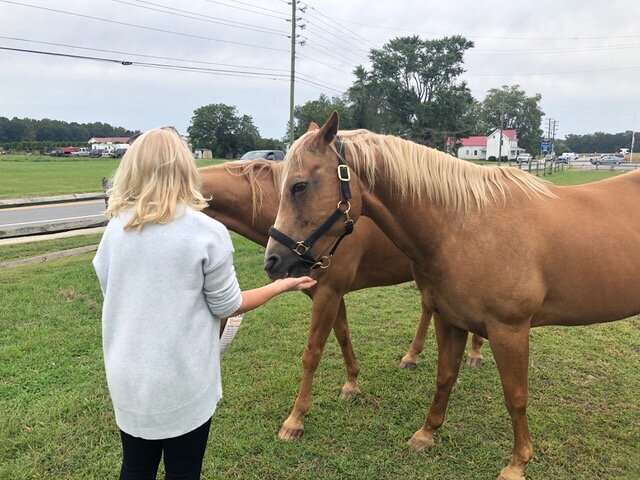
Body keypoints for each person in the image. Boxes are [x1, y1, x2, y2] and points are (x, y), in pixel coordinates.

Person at [92, 127, 316, 480]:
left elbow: (116, 293)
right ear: (184, 168)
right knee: (184, 471)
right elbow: (228, 305)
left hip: (128, 381)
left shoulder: (115, 230)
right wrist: (282, 286)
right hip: (183, 381)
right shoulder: (206, 232)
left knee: (135, 466)